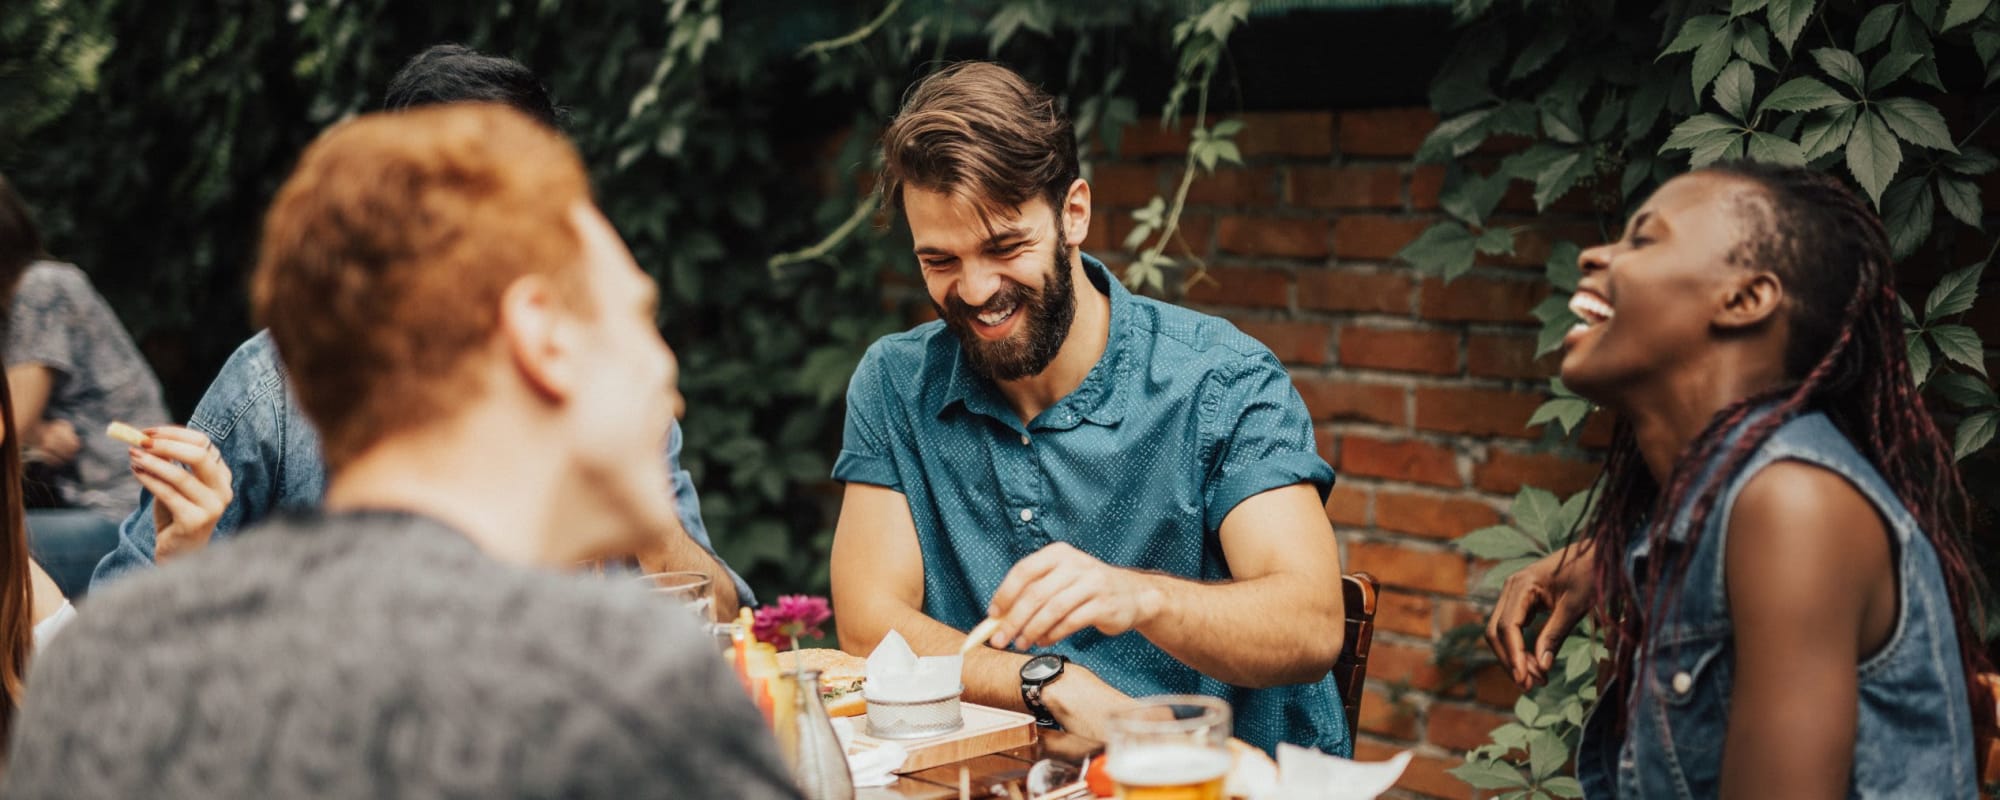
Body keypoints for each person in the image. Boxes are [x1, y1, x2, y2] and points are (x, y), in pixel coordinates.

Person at [3, 104, 799, 799]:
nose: (669, 380)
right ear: (540, 336)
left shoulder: (96, 669)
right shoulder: (622, 683)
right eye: (639, 316)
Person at [88, 44, 752, 616]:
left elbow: (721, 622)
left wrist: (639, 510)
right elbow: (115, 623)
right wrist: (183, 561)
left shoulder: (602, 377)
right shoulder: (278, 383)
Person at [829, 62, 1349, 755]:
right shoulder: (896, 383)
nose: (977, 289)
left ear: (1074, 212)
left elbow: (1311, 625)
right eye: (940, 261)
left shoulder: (1219, 380)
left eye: (1005, 247)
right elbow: (870, 625)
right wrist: (1049, 681)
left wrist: (1141, 597)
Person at [1484, 163, 1989, 796]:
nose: (1593, 254)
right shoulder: (1732, 504)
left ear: (1745, 300)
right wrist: (1611, 554)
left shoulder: (1792, 504)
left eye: (1643, 239)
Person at [0, 172, 173, 600]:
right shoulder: (15, 314)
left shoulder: (44, 288)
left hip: (128, 516)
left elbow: (8, 424)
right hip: (88, 505)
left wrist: (29, 428)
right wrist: (40, 431)